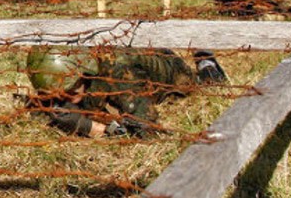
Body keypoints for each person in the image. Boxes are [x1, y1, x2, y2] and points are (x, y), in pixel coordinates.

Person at [24, 48, 227, 138]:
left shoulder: (119, 74)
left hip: (168, 69)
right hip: (133, 54)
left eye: (68, 90)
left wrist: (101, 129)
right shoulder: (72, 67)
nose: (62, 97)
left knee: (203, 84)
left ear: (84, 71)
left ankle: (206, 62)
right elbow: (43, 107)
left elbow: (147, 129)